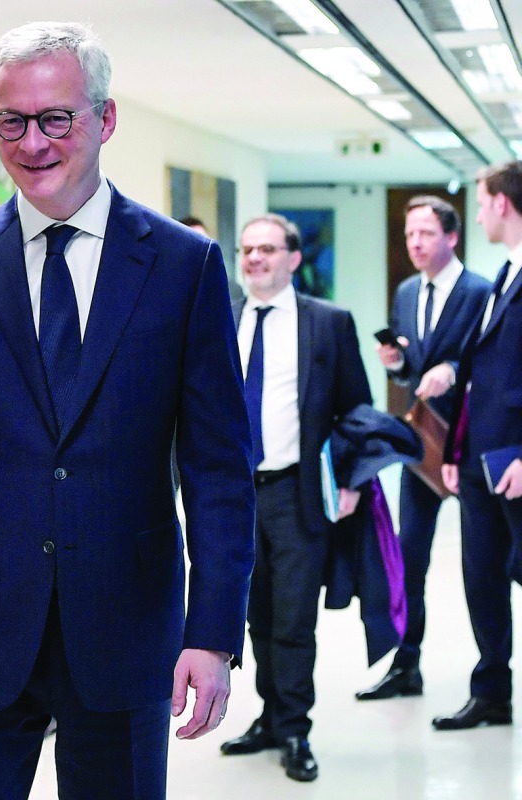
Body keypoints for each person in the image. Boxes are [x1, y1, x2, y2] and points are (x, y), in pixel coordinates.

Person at [0, 21, 255, 799]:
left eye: (57, 119)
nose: (33, 142)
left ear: (104, 120)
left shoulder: (183, 266)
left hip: (127, 626)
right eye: (12, 121)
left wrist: (213, 633)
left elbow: (218, 469)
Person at [219, 214, 371, 782]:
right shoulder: (221, 317)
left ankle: (296, 729)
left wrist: (351, 482)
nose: (254, 258)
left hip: (295, 494)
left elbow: (356, 410)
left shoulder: (327, 324)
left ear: (293, 258)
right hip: (234, 500)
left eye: (267, 249)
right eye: (247, 249)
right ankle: (268, 715)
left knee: (293, 619)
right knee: (254, 617)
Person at [356, 196, 490, 701]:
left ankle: (490, 680)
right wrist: (396, 364)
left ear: (451, 238)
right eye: (410, 234)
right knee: (410, 557)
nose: (415, 243)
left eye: (426, 234)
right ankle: (406, 664)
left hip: (473, 444)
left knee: (480, 566)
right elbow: (411, 373)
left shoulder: (481, 292)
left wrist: (454, 371)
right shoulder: (408, 291)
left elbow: (490, 363)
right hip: (422, 447)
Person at [434, 160, 522, 730]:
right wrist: (451, 453)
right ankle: (492, 691)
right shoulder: (503, 275)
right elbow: (478, 374)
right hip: (477, 460)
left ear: (503, 204)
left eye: (483, 200)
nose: (480, 210)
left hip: (514, 458)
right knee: (482, 575)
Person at [178, 214, 244, 305]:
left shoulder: (230, 289)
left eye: (206, 242)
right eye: (195, 244)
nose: (203, 249)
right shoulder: (168, 288)